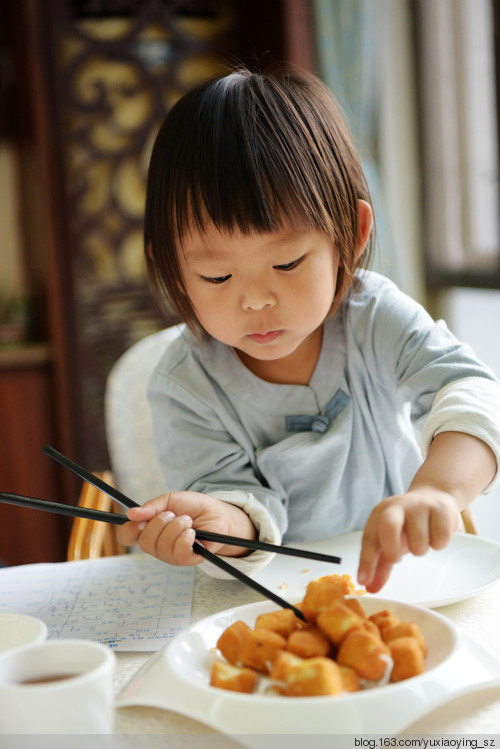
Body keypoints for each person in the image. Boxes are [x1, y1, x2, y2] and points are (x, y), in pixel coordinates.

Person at [117, 66, 500, 593]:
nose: (255, 299)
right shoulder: (185, 386)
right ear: (174, 270)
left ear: (352, 233)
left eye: (289, 264)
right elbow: (231, 501)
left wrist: (437, 492)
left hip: (404, 582)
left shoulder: (372, 317)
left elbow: (472, 391)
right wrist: (220, 525)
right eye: (216, 275)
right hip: (269, 599)